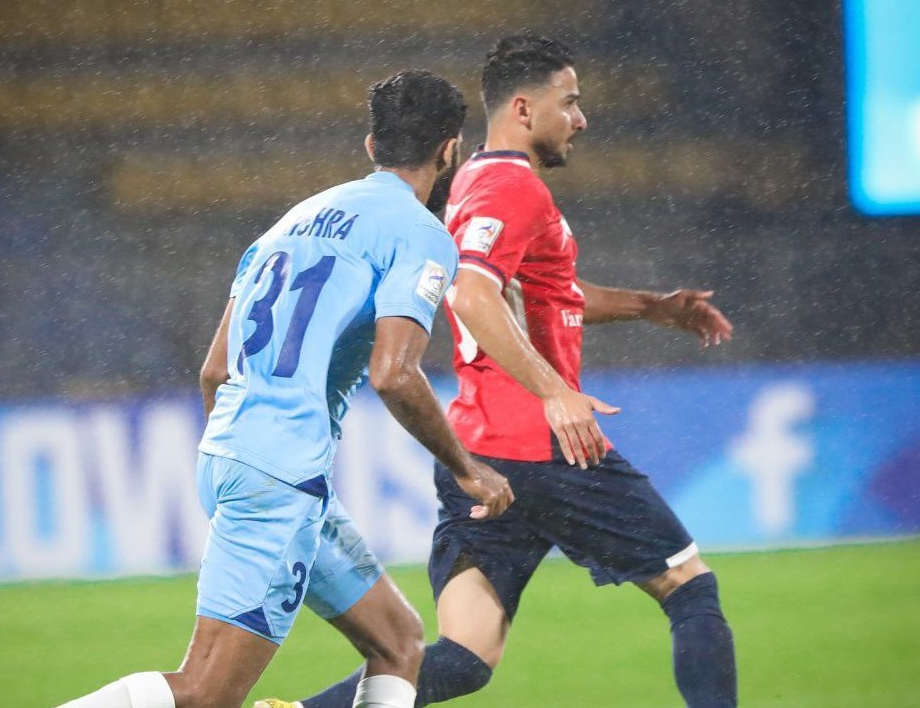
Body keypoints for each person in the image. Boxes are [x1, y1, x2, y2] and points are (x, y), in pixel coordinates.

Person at [257, 33, 737, 708]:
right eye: (569, 102)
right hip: (545, 445)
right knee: (690, 589)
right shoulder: (514, 187)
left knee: (464, 657)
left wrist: (649, 307)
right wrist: (555, 392)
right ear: (523, 108)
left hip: (479, 451)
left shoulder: (469, 183)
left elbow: (543, 293)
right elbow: (473, 294)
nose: (580, 119)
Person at [55, 69, 514, 708]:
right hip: (280, 475)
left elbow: (215, 370)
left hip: (245, 458)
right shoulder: (420, 233)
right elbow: (394, 372)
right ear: (450, 149)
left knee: (399, 641)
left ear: (371, 145)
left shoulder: (291, 222)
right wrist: (467, 469)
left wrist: (246, 456)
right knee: (205, 693)